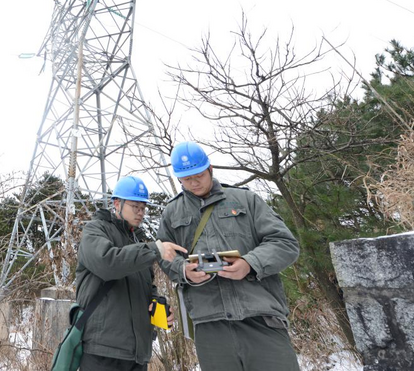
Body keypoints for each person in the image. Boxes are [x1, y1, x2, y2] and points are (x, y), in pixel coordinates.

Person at [157, 141, 301, 371]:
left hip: (260, 317)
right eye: (186, 179)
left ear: (210, 169)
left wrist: (249, 263)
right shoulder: (171, 213)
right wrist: (183, 271)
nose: (193, 183)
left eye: (199, 175)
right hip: (210, 324)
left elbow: (285, 243)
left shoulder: (245, 200)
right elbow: (165, 257)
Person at [75, 175, 185, 371]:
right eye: (135, 207)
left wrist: (157, 304)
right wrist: (154, 250)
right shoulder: (95, 230)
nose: (141, 213)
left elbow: (146, 287)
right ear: (117, 203)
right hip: (102, 351)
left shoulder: (138, 242)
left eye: (143, 208)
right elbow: (107, 263)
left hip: (137, 353)